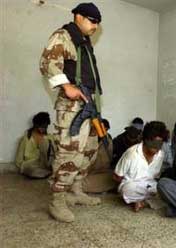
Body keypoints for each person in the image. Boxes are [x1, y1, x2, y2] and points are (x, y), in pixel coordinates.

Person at [40, 2, 103, 222]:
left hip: (89, 104)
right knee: (69, 152)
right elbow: (48, 63)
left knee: (89, 150)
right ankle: (57, 200)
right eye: (92, 21)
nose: (95, 26)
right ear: (78, 16)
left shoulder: (83, 43)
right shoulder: (64, 35)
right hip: (71, 107)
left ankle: (75, 192)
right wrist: (67, 87)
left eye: (98, 23)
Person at [113, 121, 168, 212]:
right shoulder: (131, 153)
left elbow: (156, 177)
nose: (156, 146)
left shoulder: (160, 155)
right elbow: (116, 177)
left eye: (159, 143)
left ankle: (142, 202)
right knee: (127, 189)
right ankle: (150, 201)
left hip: (151, 186)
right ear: (145, 139)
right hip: (133, 186)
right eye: (153, 142)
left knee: (167, 190)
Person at [15, 112, 55, 179]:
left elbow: (54, 155)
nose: (43, 129)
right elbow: (18, 160)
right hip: (30, 166)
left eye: (45, 127)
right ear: (35, 125)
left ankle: (47, 172)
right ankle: (46, 173)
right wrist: (23, 167)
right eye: (41, 127)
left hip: (44, 165)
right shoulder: (26, 138)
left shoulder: (49, 138)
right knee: (34, 171)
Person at [82, 119, 117, 193]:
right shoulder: (85, 138)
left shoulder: (108, 139)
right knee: (80, 182)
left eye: (106, 130)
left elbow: (109, 159)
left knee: (115, 177)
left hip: (101, 171)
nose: (104, 132)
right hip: (86, 172)